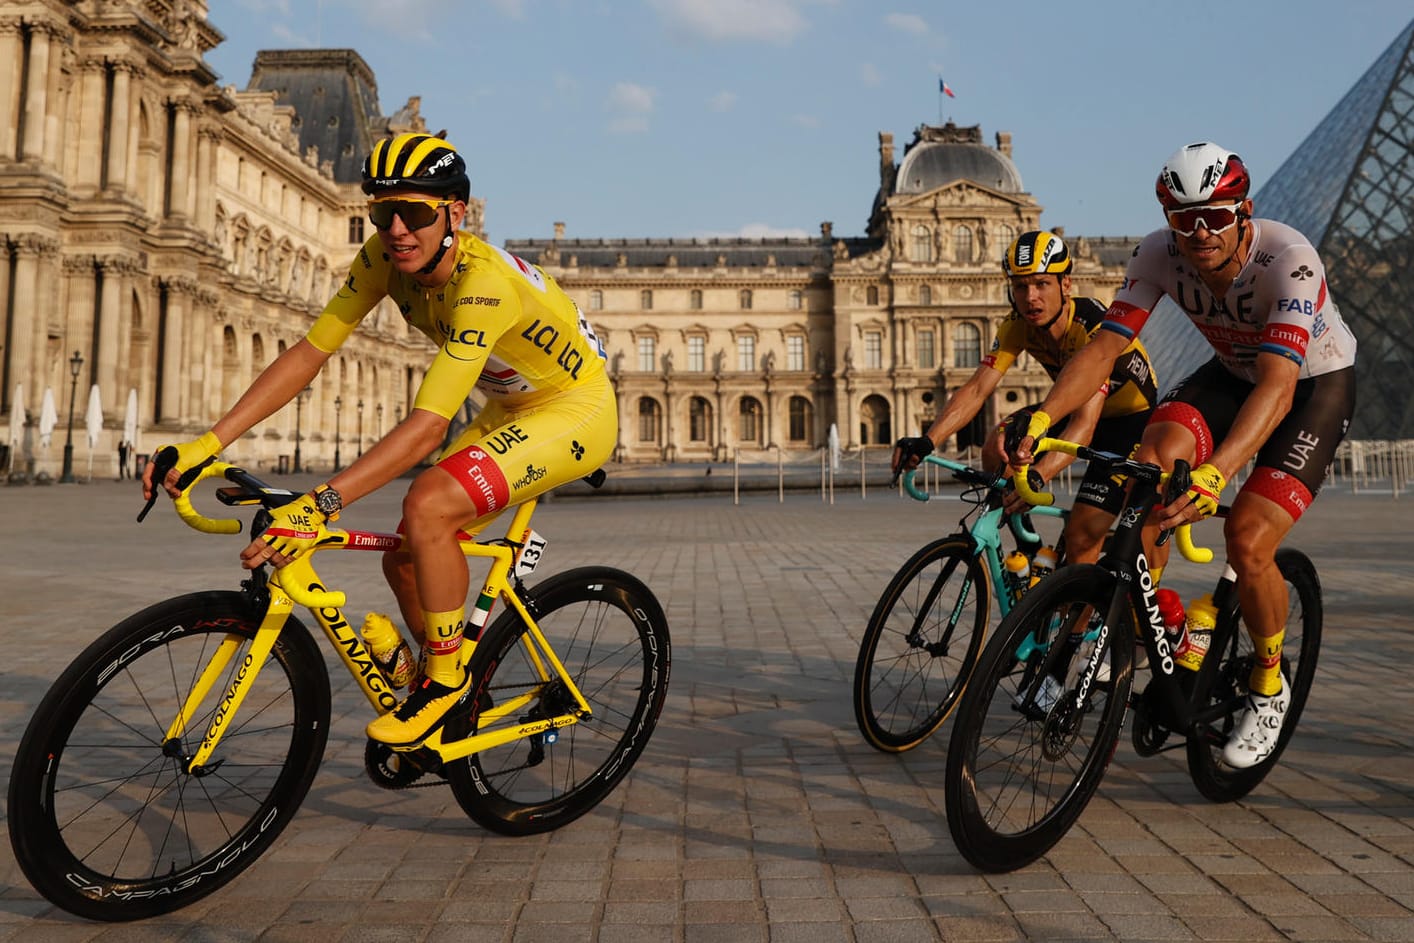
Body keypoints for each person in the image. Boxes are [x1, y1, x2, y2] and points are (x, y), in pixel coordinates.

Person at [143, 132, 616, 748]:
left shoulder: (484, 285)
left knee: (427, 504)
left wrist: (320, 504)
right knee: (407, 552)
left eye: (414, 212)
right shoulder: (381, 259)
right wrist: (206, 444)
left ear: (455, 214)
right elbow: (311, 352)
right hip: (509, 406)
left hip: (574, 409)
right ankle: (452, 688)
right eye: (381, 212)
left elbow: (425, 426)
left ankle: (444, 684)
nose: (396, 228)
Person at [1008, 142, 1357, 768]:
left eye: (1216, 215)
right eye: (1182, 217)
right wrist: (1042, 416)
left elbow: (1278, 388)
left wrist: (1216, 473)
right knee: (1151, 467)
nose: (1199, 232)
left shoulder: (1291, 262)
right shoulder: (1156, 252)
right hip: (1230, 374)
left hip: (1310, 388)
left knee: (1248, 539)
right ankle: (1138, 631)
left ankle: (1268, 684)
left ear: (1243, 211)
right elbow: (1103, 350)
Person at [892, 230, 1159, 564]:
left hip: (1129, 424)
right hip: (1068, 409)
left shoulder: (1091, 326)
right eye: (1020, 286)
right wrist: (927, 442)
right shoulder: (1017, 324)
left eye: (1041, 284)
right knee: (997, 444)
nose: (1030, 297)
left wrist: (1036, 476)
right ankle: (1027, 543)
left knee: (1080, 539)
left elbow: (1085, 425)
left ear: (1065, 285)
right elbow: (977, 389)